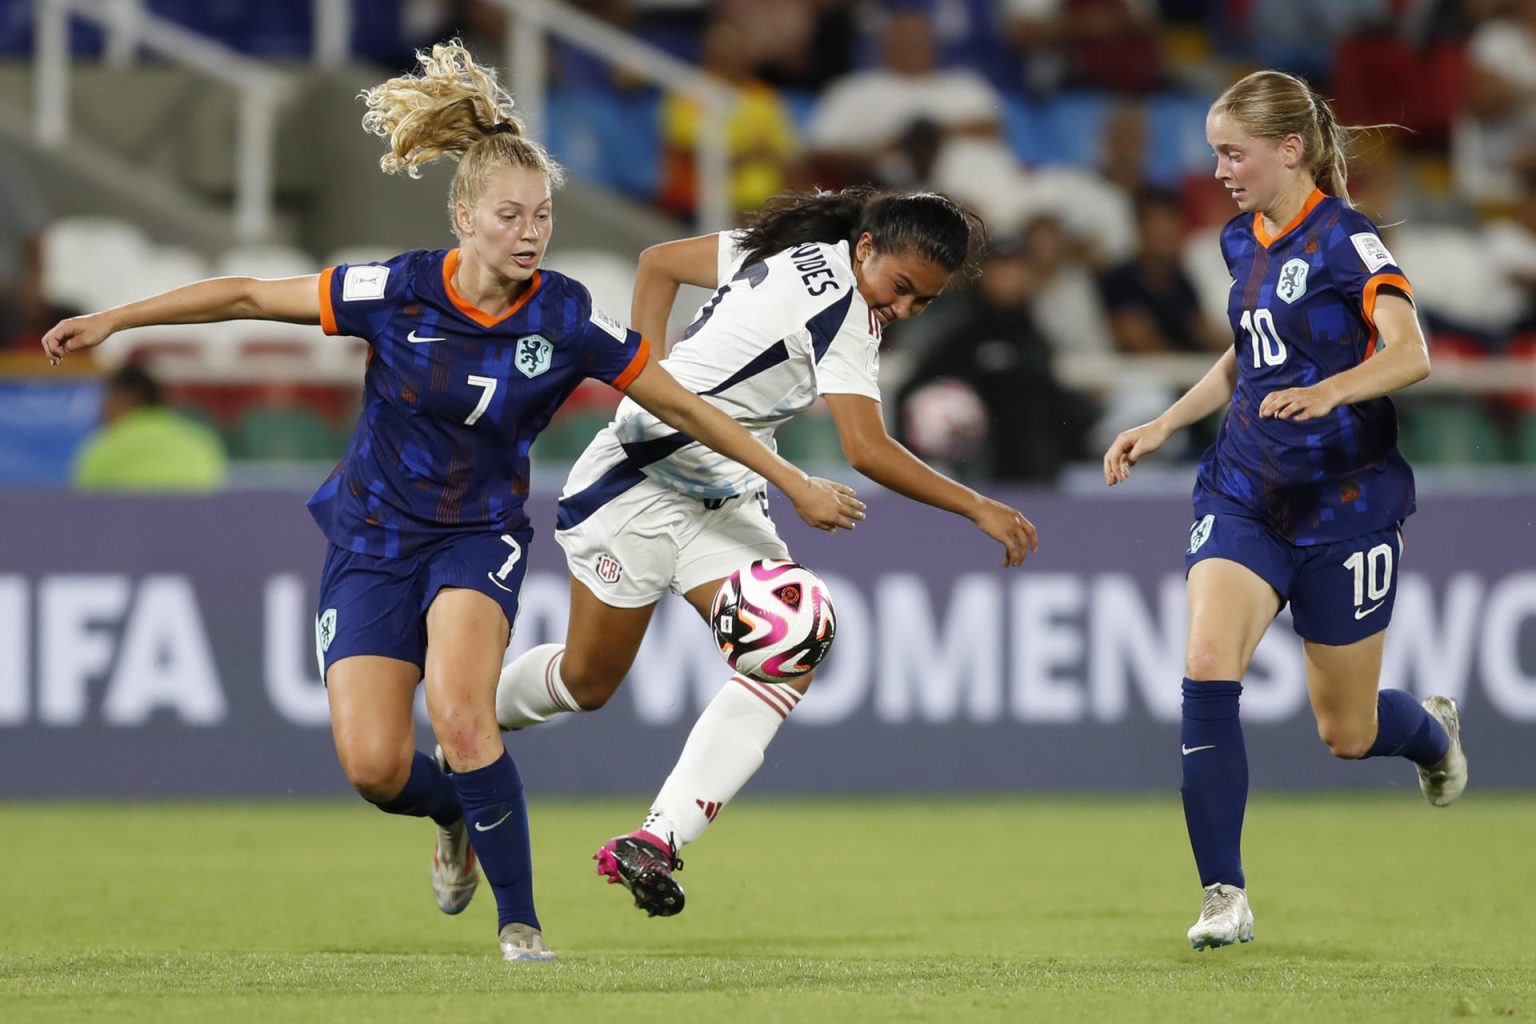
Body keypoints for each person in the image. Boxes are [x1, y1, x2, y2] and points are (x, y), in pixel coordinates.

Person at [41, 40, 862, 963]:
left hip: (478, 538)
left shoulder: (564, 314)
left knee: (463, 715)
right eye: (510, 215)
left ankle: (522, 929)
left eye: (542, 215)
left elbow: (674, 399)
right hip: (370, 538)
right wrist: (116, 317)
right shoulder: (393, 290)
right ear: (463, 215)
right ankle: (456, 818)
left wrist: (790, 479)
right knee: (376, 766)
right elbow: (242, 293)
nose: (530, 232)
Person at [492, 185, 1039, 918]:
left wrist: (647, 372)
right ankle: (465, 725)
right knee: (587, 682)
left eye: (924, 303)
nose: (904, 310)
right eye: (902, 289)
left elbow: (658, 265)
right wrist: (975, 504)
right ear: (867, 248)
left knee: (794, 638)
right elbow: (866, 449)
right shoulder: (844, 307)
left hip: (720, 496)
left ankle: (657, 839)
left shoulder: (790, 253)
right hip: (634, 489)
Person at [1101, 70, 1468, 952]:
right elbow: (1246, 354)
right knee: (1206, 662)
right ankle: (1223, 892)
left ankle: (1430, 734)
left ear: (1290, 149)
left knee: (1347, 731)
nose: (1220, 170)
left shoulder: (1349, 239)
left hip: (1345, 505)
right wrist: (1163, 421)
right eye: (1215, 153)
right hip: (1245, 492)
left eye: (1234, 152)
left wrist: (1331, 391)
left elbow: (1410, 352)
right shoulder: (1239, 241)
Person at [71, 364, 228, 492]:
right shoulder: (202, 441)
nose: (101, 410)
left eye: (106, 400)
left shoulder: (101, 447)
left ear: (123, 400)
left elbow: (87, 511)